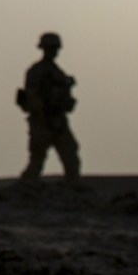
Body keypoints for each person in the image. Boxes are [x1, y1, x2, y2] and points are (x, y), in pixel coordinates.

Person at [16, 32, 81, 182]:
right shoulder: (36, 71)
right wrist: (42, 115)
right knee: (37, 160)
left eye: (55, 48)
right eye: (51, 48)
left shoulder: (57, 72)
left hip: (57, 121)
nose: (54, 52)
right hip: (42, 121)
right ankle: (27, 188)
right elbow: (32, 98)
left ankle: (73, 188)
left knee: (71, 156)